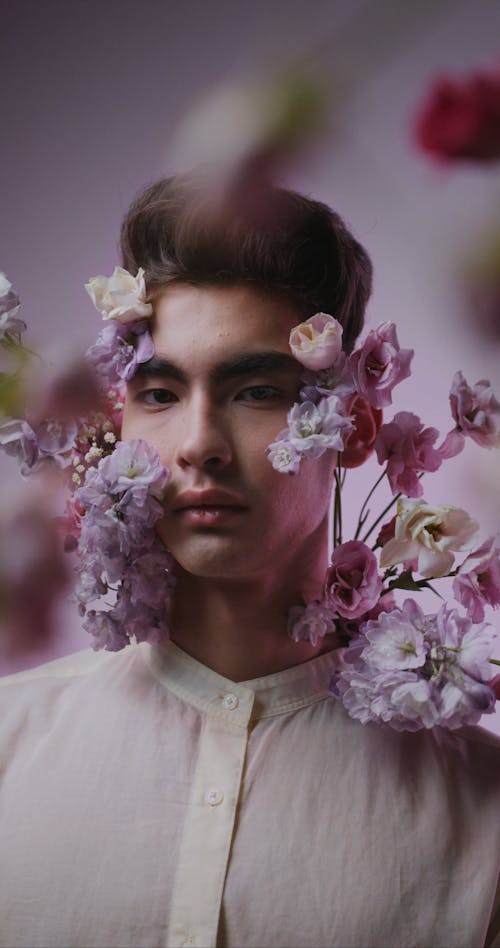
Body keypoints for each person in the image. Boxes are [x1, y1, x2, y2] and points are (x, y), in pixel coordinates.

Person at [0, 173, 499, 948]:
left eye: (256, 390)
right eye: (160, 394)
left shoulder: (479, 809)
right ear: (118, 423)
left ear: (357, 428)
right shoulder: (11, 745)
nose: (198, 443)